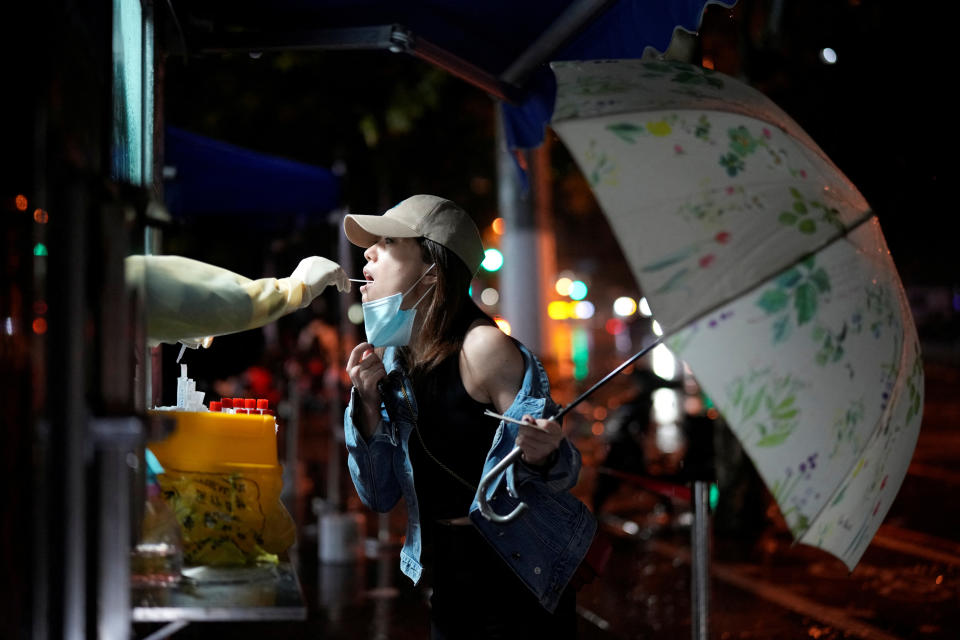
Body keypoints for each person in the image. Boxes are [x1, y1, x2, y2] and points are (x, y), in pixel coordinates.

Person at [342, 195, 596, 639]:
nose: (368, 253)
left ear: (431, 270)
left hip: (517, 576)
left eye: (386, 241)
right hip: (448, 578)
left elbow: (563, 468)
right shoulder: (394, 361)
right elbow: (378, 496)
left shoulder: (484, 348)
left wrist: (541, 452)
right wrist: (365, 404)